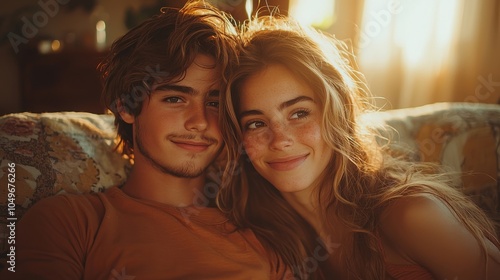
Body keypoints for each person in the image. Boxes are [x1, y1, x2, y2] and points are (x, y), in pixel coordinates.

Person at [0, 1, 286, 279]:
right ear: (125, 105)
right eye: (175, 99)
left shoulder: (264, 233)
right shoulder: (69, 223)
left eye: (215, 103)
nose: (199, 121)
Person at [218, 14, 500, 280]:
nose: (280, 139)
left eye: (299, 113)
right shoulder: (261, 237)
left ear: (337, 112)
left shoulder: (411, 215)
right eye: (256, 123)